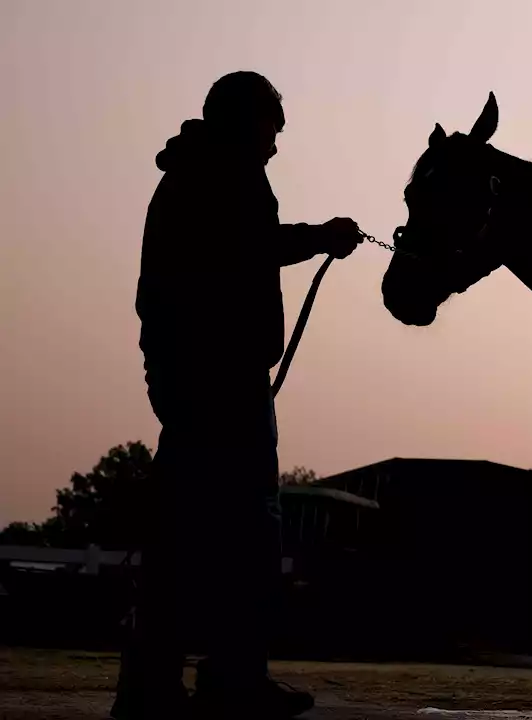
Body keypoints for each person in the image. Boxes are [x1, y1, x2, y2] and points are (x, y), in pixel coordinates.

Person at [112, 71, 365, 720]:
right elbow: (248, 245)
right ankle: (232, 679)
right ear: (247, 120)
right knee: (249, 532)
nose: (276, 147)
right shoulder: (222, 174)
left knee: (186, 532)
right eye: (272, 131)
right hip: (218, 381)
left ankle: (156, 684)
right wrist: (321, 236)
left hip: (195, 377)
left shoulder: (196, 173)